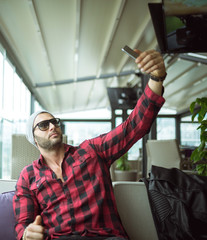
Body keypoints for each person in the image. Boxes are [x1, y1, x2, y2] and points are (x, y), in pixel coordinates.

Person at [13, 49, 166, 240]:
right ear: (34, 139)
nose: (52, 126)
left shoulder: (91, 151)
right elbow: (23, 223)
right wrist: (27, 234)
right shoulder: (28, 176)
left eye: (55, 121)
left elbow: (133, 127)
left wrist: (156, 78)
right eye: (43, 125)